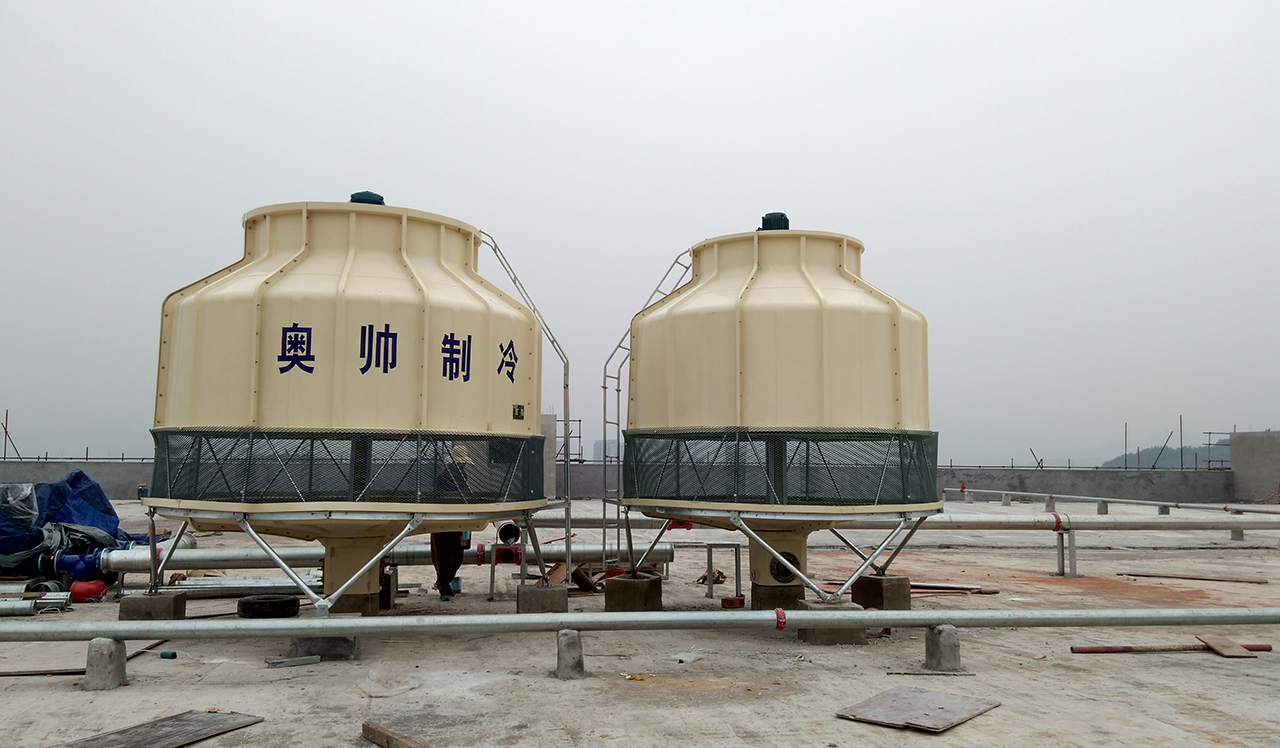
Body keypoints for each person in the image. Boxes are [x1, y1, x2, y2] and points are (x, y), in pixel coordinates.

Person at [431, 444, 472, 601]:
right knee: (444, 555)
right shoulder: (444, 477)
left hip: (458, 519)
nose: (463, 464)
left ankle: (443, 583)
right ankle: (444, 587)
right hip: (443, 519)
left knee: (456, 555)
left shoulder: (462, 476)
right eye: (462, 462)